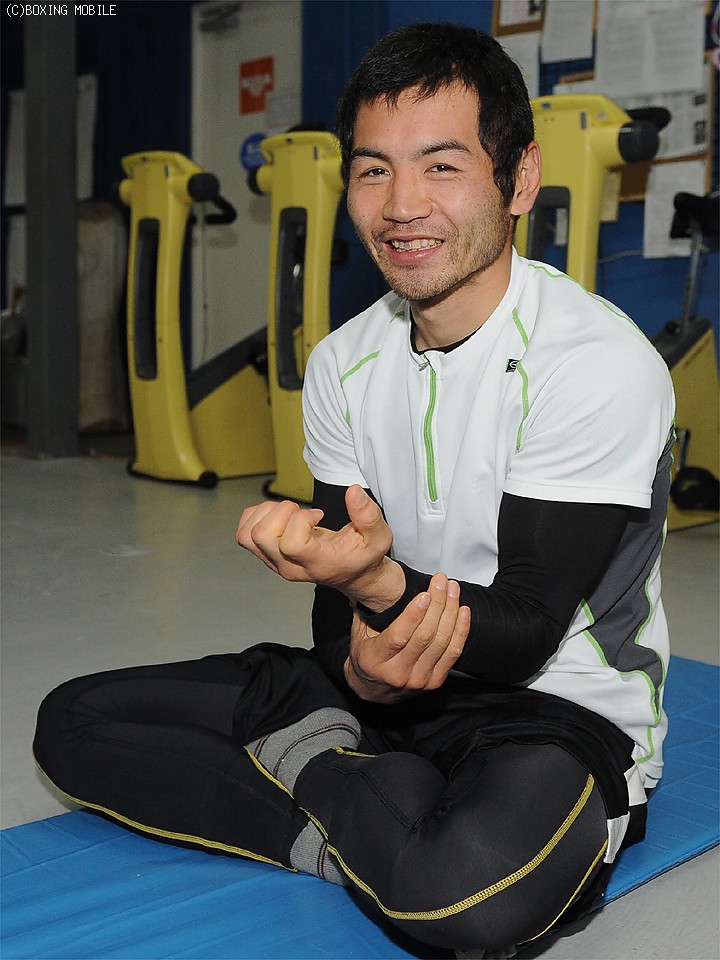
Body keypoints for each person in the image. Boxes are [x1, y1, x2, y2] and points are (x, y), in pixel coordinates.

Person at [34, 22, 675, 957]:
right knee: (73, 721)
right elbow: (340, 609)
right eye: (374, 170)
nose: (402, 206)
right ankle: (361, 796)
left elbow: (527, 629)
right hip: (380, 690)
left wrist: (375, 587)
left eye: (442, 166)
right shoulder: (343, 363)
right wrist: (361, 661)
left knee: (465, 902)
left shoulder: (595, 363)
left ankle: (314, 766)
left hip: (552, 710)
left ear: (519, 178)